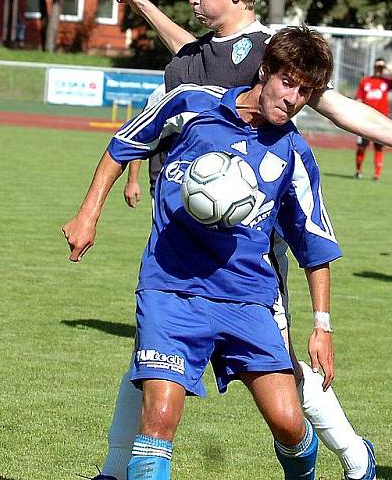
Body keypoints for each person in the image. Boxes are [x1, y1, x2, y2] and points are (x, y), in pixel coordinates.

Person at [99, 0, 392, 480]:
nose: (193, 0)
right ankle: (114, 471)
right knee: (149, 363)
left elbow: (345, 110)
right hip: (180, 244)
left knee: (283, 380)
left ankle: (351, 453)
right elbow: (189, 50)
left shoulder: (276, 53)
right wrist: (141, 4)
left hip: (250, 253)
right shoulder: (201, 58)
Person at [63, 26, 343, 480]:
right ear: (266, 71)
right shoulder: (192, 103)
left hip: (247, 298)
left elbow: (314, 244)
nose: (294, 99)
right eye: (288, 83)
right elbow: (121, 146)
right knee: (159, 422)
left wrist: (322, 326)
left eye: (305, 92)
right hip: (170, 288)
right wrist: (88, 214)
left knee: (290, 425)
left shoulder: (293, 152)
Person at [354, 58, 392, 180]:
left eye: (381, 67)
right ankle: (358, 171)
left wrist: (390, 69)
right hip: (365, 119)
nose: (379, 69)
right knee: (361, 146)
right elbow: (359, 99)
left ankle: (377, 174)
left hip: (381, 120)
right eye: (377, 66)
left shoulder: (386, 82)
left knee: (379, 147)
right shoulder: (365, 82)